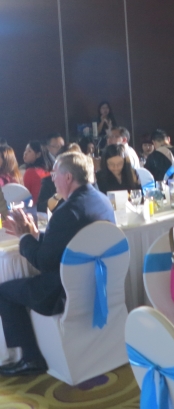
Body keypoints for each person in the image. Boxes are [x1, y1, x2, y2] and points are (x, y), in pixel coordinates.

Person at [0, 152, 115, 376]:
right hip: (96, 281)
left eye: (55, 175)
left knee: (4, 291)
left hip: (64, 290)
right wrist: (36, 234)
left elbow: (43, 262)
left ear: (68, 177)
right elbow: (70, 242)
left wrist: (24, 237)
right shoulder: (101, 201)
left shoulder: (67, 211)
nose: (52, 180)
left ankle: (31, 358)